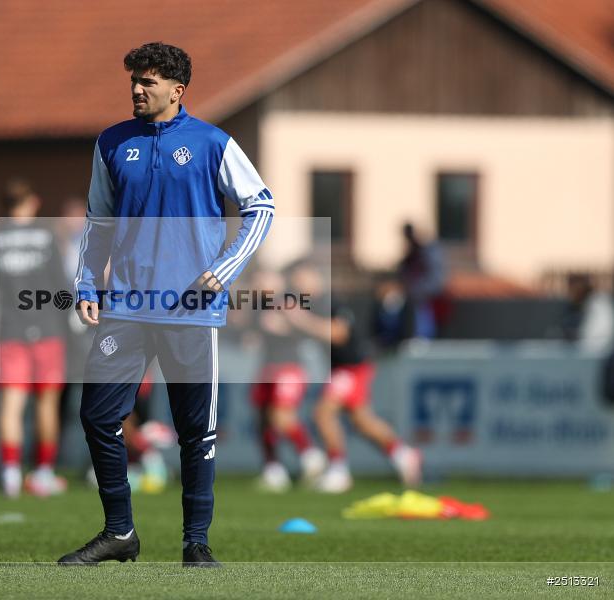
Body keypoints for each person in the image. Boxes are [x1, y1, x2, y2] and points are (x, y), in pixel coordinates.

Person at [58, 42, 273, 566]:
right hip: (126, 306)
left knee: (196, 432)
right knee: (97, 416)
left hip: (190, 310)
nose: (136, 89)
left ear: (177, 90)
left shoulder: (213, 142)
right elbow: (98, 220)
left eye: (147, 81)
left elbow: (261, 205)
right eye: (134, 80)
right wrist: (87, 284)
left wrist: (224, 270)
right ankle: (120, 533)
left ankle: (196, 543)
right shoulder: (112, 142)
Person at [283, 262, 421, 493]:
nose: (297, 283)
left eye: (301, 277)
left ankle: (338, 470)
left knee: (323, 413)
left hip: (351, 367)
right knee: (362, 422)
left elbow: (338, 334)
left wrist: (300, 320)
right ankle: (403, 455)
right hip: (340, 367)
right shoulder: (310, 303)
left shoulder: (329, 301)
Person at [0, 180, 70, 498]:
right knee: (46, 404)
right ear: (32, 202)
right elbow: (61, 287)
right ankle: (43, 472)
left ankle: (11, 473)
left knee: (10, 406)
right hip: (47, 330)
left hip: (9, 331)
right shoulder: (46, 236)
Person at [248, 269, 326, 493]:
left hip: (289, 366)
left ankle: (310, 454)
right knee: (263, 418)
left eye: (265, 279)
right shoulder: (258, 306)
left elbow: (305, 329)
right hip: (267, 367)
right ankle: (273, 469)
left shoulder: (289, 301)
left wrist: (285, 325)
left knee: (281, 416)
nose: (261, 283)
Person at [398, 222, 445, 339]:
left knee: (424, 315)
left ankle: (424, 337)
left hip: (424, 288)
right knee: (421, 314)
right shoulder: (418, 249)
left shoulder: (425, 250)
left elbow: (426, 268)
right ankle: (422, 336)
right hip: (420, 289)